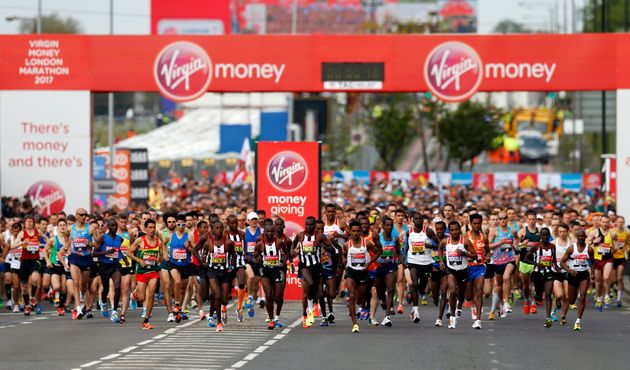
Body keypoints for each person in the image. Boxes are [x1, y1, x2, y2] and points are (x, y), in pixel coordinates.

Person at [194, 220, 235, 332]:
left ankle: (217, 313)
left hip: (225, 272)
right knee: (216, 295)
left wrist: (231, 266)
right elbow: (201, 253)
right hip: (212, 272)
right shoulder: (208, 243)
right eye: (217, 228)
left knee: (225, 299)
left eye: (221, 228)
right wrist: (203, 262)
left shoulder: (229, 243)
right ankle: (219, 323)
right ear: (212, 229)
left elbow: (234, 255)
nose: (219, 230)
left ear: (223, 229)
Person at [342, 221, 380, 333]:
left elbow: (378, 252)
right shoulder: (346, 245)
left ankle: (360, 307)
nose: (355, 233)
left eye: (358, 231)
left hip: (363, 273)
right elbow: (344, 255)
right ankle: (354, 323)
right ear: (350, 231)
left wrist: (368, 263)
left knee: (359, 300)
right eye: (353, 231)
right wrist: (344, 261)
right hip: (351, 272)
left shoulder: (366, 243)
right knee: (352, 295)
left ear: (360, 232)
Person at [439, 221, 477, 329]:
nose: (454, 232)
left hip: (463, 270)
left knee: (461, 293)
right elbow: (439, 248)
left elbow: (475, 256)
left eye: (456, 230)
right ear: (449, 231)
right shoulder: (446, 241)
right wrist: (441, 261)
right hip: (451, 270)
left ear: (459, 230)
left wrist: (465, 253)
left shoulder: (465, 241)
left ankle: (459, 306)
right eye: (452, 230)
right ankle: (452, 317)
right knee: (453, 290)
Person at [128, 219, 164, 330]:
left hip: (153, 271)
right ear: (145, 229)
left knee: (152, 294)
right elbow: (129, 252)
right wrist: (139, 260)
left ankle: (146, 320)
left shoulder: (159, 242)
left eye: (154, 227)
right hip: (142, 272)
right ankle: (134, 295)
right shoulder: (140, 240)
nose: (152, 230)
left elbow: (161, 257)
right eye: (150, 227)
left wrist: (159, 259)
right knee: (141, 298)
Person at [255, 222, 289, 330]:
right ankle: (271, 319)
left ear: (274, 232)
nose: (270, 233)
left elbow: (287, 253)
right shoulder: (260, 244)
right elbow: (254, 256)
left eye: (272, 231)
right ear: (264, 232)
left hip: (277, 271)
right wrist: (258, 259)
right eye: (268, 231)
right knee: (268, 295)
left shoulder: (279, 242)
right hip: (265, 271)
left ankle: (277, 316)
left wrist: (283, 262)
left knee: (278, 297)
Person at [404, 212, 436, 323]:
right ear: (413, 220)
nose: (418, 221)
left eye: (420, 219)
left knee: (422, 289)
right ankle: (416, 311)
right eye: (416, 219)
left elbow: (439, 244)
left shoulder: (428, 231)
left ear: (423, 220)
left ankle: (416, 298)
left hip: (426, 263)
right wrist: (404, 257)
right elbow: (408, 245)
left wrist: (430, 245)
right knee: (414, 284)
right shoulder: (409, 232)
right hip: (413, 262)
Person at [12, 215, 47, 316]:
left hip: (35, 260)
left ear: (33, 223)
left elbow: (48, 239)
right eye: (27, 222)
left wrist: (49, 246)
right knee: (24, 287)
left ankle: (32, 298)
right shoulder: (22, 233)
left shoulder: (38, 232)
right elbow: (12, 245)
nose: (29, 223)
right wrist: (22, 242)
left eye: (31, 221)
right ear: (24, 223)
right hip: (24, 262)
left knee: (35, 279)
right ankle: (27, 306)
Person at [560, 230, 594, 331]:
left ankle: (578, 321)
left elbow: (592, 261)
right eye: (579, 236)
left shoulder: (589, 249)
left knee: (583, 296)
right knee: (571, 299)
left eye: (582, 236)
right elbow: (562, 262)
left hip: (584, 274)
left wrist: (592, 272)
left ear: (585, 237)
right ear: (576, 237)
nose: (581, 238)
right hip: (573, 274)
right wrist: (570, 270)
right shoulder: (571, 248)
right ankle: (569, 305)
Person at [164, 214, 195, 323]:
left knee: (183, 289)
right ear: (176, 224)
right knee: (177, 282)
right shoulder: (170, 235)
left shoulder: (189, 235)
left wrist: (189, 248)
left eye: (183, 224)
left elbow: (194, 250)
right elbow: (162, 245)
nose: (181, 226)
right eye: (179, 224)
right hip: (173, 263)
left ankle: (180, 309)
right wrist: (164, 255)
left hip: (185, 264)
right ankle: (176, 305)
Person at [487, 211, 517, 319]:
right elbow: (488, 246)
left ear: (507, 219)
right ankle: (500, 303)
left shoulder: (512, 230)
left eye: (504, 218)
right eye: (500, 218)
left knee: (506, 278)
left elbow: (516, 240)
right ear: (498, 220)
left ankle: (506, 302)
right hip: (497, 261)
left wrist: (516, 246)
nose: (502, 220)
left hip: (510, 259)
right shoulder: (494, 231)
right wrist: (499, 243)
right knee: (498, 286)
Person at [525, 228, 557, 329]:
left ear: (549, 235)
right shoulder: (536, 247)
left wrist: (558, 268)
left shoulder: (553, 246)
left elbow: (554, 260)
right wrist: (536, 264)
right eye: (543, 235)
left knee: (548, 294)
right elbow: (526, 258)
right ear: (540, 236)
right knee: (539, 296)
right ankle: (536, 294)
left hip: (549, 273)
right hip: (537, 273)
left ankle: (548, 318)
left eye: (547, 235)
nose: (545, 237)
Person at [91, 218, 122, 321]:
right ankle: (103, 302)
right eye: (112, 226)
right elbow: (94, 253)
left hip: (115, 265)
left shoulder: (119, 239)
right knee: (106, 288)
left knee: (117, 287)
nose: (114, 227)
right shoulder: (102, 238)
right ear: (108, 227)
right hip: (104, 265)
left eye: (115, 225)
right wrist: (106, 253)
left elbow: (118, 251)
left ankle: (114, 311)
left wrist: (124, 260)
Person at [374, 216, 401, 327]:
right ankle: (383, 300)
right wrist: (375, 262)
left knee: (390, 289)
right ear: (383, 226)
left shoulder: (395, 239)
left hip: (390, 266)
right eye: (387, 225)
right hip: (379, 267)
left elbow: (398, 253)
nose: (389, 227)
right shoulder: (377, 237)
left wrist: (403, 261)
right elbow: (372, 251)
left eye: (391, 225)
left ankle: (387, 317)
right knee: (380, 291)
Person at [587, 214, 617, 310]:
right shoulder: (595, 232)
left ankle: (607, 296)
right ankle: (599, 297)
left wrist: (615, 247)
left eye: (607, 222)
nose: (605, 224)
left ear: (609, 223)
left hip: (608, 259)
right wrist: (594, 241)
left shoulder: (612, 233)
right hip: (597, 259)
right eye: (603, 222)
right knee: (598, 282)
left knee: (606, 277)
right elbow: (587, 241)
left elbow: (616, 242)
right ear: (600, 222)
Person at [466, 214, 489, 329]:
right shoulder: (465, 237)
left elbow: (488, 250)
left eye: (478, 223)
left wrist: (488, 257)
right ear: (470, 223)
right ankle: (473, 306)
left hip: (480, 267)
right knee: (469, 296)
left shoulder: (483, 237)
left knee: (479, 291)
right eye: (474, 223)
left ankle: (478, 320)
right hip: (468, 268)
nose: (476, 225)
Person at [316, 219, 341, 326]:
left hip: (329, 269)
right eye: (318, 229)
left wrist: (338, 266)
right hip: (317, 271)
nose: (320, 231)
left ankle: (331, 311)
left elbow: (337, 251)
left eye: (322, 229)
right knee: (321, 294)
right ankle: (324, 317)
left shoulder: (328, 240)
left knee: (331, 294)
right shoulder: (311, 240)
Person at [44, 218, 70, 315]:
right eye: (60, 225)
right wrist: (47, 261)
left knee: (63, 288)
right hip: (55, 266)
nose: (62, 227)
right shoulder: (53, 239)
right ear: (57, 227)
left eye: (64, 225)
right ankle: (52, 291)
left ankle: (60, 307)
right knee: (56, 287)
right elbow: (44, 251)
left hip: (64, 267)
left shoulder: (68, 239)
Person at [517, 210, 540, 315]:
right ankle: (527, 300)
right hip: (524, 262)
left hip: (535, 262)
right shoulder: (523, 231)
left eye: (533, 219)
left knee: (534, 284)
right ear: (527, 220)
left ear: (536, 219)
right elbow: (515, 246)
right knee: (526, 286)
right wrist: (522, 244)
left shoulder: (539, 232)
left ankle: (534, 303)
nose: (532, 221)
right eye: (530, 219)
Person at [226, 215, 247, 322]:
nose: (234, 225)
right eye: (232, 223)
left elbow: (246, 248)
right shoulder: (225, 235)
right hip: (227, 264)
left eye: (236, 223)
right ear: (228, 224)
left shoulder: (242, 234)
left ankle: (239, 307)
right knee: (226, 292)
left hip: (240, 262)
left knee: (242, 283)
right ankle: (223, 310)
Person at [244, 212, 262, 317]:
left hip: (258, 261)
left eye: (255, 219)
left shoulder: (262, 231)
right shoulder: (243, 232)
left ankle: (251, 304)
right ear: (248, 221)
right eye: (252, 219)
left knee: (255, 286)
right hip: (247, 259)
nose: (254, 221)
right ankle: (249, 296)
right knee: (250, 277)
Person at [391, 209, 409, 314]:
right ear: (395, 217)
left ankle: (400, 304)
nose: (400, 217)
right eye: (398, 215)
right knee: (393, 281)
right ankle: (391, 299)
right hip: (392, 257)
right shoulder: (390, 228)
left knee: (401, 279)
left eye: (402, 215)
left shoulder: (408, 229)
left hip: (404, 257)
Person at [552, 223, 571, 321]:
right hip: (556, 271)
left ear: (567, 232)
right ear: (558, 232)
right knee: (559, 295)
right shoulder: (554, 243)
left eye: (564, 231)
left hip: (567, 272)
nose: (562, 234)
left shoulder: (572, 243)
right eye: (560, 232)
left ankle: (563, 316)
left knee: (567, 296)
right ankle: (554, 308)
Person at [612, 216, 627, 306]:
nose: (620, 223)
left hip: (621, 257)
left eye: (622, 222)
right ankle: (613, 288)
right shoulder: (612, 232)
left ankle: (619, 298)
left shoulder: (626, 233)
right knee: (613, 279)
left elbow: (628, 243)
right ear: (616, 222)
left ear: (624, 222)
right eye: (619, 222)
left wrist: (626, 250)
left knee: (620, 277)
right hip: (613, 257)